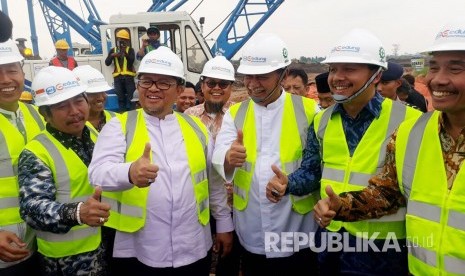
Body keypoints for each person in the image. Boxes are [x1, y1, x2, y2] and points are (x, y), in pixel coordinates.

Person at [313, 19, 465, 276]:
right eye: (433, 67)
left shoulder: (406, 119)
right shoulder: (412, 132)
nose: (438, 80)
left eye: (455, 68)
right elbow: (387, 194)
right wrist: (342, 206)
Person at [266, 29, 422, 275]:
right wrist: (289, 183)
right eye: (333, 69)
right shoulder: (322, 121)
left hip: (383, 249)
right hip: (330, 241)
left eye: (349, 69)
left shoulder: (411, 122)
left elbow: (409, 191)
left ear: (377, 75)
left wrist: (345, 206)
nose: (337, 77)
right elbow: (313, 171)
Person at [88, 46, 233, 275]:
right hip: (138, 250)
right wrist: (129, 173)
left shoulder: (197, 129)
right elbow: (97, 173)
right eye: (146, 81)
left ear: (178, 89)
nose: (153, 88)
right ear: (138, 86)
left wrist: (224, 223)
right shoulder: (120, 126)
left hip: (193, 246)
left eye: (163, 82)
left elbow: (212, 182)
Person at [213, 34, 320, 275]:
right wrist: (229, 157)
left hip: (297, 227)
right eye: (248, 76)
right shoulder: (236, 113)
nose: (252, 84)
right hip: (252, 228)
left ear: (283, 75)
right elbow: (219, 153)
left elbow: (318, 166)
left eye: (261, 77)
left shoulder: (310, 110)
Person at [18, 66, 111, 275]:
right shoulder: (36, 152)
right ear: (45, 113)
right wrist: (77, 213)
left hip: (104, 248)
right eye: (62, 106)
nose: (75, 111)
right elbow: (31, 208)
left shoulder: (95, 135)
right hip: (66, 262)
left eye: (78, 101)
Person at [184, 55, 238, 276]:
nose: (217, 88)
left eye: (223, 84)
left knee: (230, 262)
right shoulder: (189, 116)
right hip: (201, 204)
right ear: (202, 85)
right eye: (211, 83)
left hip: (235, 205)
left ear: (231, 87)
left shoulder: (239, 114)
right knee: (205, 260)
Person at [0, 39, 44, 275]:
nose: (5, 80)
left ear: (22, 71)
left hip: (38, 243)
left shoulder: (36, 115)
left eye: (11, 70)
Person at [73, 65, 119, 135]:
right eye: (93, 93)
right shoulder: (72, 126)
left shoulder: (117, 119)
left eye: (103, 91)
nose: (101, 97)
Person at [105, 29, 136, 112]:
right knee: (120, 99)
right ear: (117, 40)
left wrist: (125, 53)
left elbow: (131, 61)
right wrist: (112, 56)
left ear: (127, 41)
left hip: (128, 78)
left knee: (131, 99)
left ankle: (133, 116)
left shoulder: (130, 50)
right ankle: (123, 116)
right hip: (117, 78)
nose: (122, 41)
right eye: (120, 39)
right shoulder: (113, 51)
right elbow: (107, 63)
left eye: (124, 39)